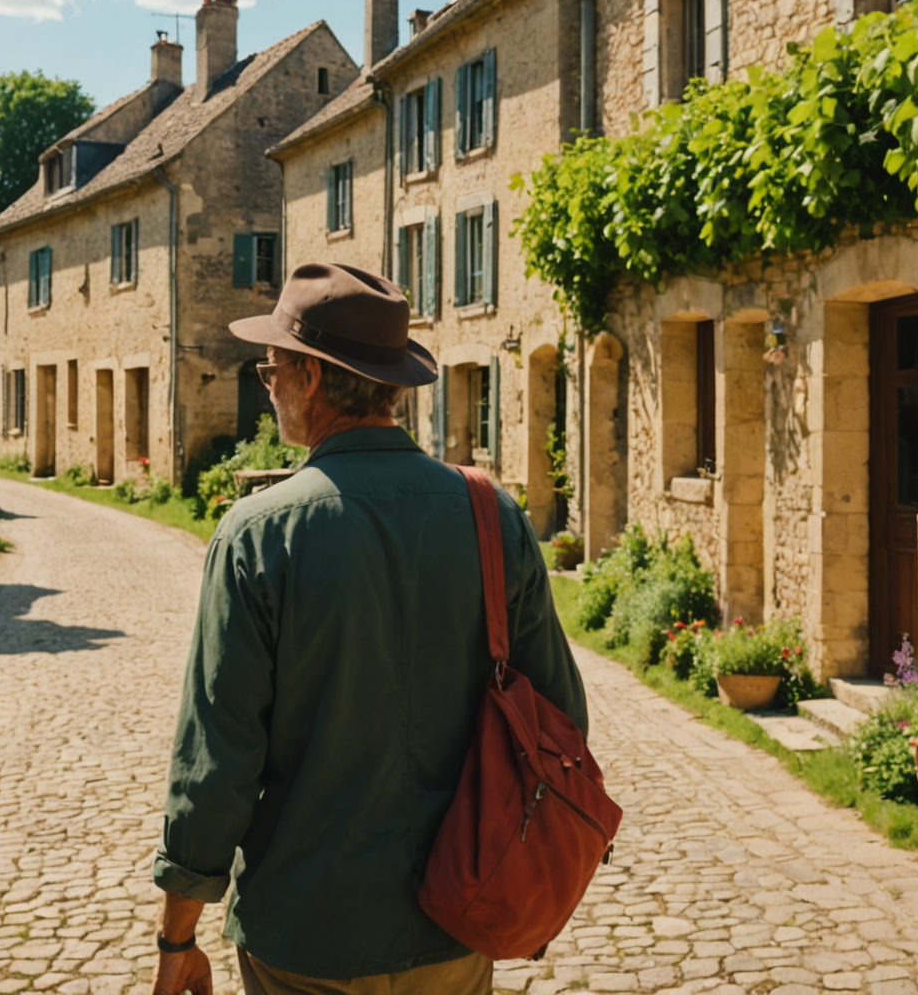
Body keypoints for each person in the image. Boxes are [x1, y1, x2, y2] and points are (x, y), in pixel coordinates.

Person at [150, 263, 590, 995]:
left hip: (306, 937)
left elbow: (216, 765)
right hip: (455, 930)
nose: (269, 387)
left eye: (271, 370)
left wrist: (177, 936)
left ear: (311, 378)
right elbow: (562, 719)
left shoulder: (258, 535)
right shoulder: (492, 515)